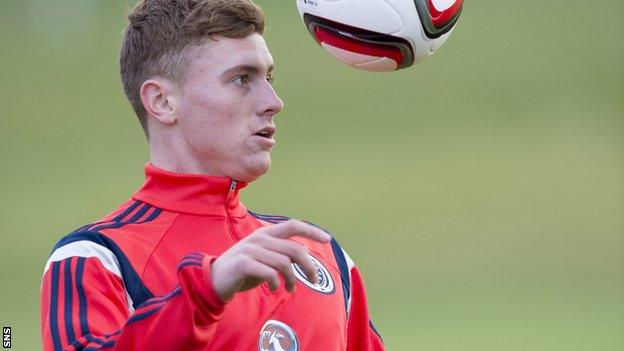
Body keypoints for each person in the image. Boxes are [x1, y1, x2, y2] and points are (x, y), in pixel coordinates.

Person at [40, 1, 385, 350]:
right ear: (162, 101)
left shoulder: (320, 254)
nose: (273, 100)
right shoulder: (99, 259)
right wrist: (205, 293)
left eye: (269, 78)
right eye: (241, 79)